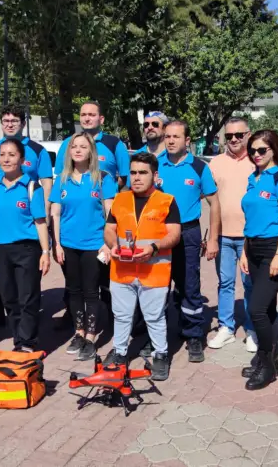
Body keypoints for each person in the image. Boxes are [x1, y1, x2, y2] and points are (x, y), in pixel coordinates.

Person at [0, 105, 54, 333]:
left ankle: (26, 333)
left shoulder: (37, 151)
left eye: (14, 120)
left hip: (25, 221)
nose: (9, 124)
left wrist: (44, 214)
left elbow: (46, 183)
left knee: (26, 286)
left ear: (23, 123)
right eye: (6, 120)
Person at [103, 153, 181, 381]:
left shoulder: (167, 201)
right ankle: (119, 352)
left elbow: (175, 234)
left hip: (154, 271)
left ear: (154, 175)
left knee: (154, 317)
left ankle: (161, 354)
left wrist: (155, 248)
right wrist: (112, 244)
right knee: (121, 315)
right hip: (122, 270)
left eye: (143, 173)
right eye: (133, 172)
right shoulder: (120, 199)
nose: (136, 178)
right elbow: (109, 228)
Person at [157, 120, 220, 363]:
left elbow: (214, 203)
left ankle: (194, 335)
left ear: (187, 141)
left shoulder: (199, 167)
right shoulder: (155, 165)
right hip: (158, 233)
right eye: (168, 136)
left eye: (176, 137)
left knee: (189, 284)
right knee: (158, 285)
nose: (171, 140)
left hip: (188, 232)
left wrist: (213, 239)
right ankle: (159, 335)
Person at [49, 133, 117, 360]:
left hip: (94, 245)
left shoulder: (102, 178)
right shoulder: (61, 179)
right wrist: (56, 244)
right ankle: (78, 332)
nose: (78, 150)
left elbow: (110, 213)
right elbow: (55, 213)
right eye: (74, 147)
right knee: (73, 290)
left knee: (91, 291)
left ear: (91, 152)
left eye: (83, 147)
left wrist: (108, 244)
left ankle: (90, 336)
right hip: (68, 244)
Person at [238, 130, 278, 391]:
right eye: (253, 150)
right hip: (253, 248)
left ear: (274, 149)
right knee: (268, 309)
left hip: (275, 248)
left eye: (262, 150)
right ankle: (270, 358)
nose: (257, 155)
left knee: (256, 309)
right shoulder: (254, 178)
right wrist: (243, 251)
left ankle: (266, 364)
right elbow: (250, 220)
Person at [0, 138, 52, 352]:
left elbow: (40, 222)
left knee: (28, 297)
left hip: (27, 249)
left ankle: (27, 342)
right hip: (0, 250)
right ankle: (18, 338)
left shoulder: (31, 187)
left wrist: (45, 252)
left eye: (12, 155)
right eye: (2, 154)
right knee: (9, 298)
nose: (6, 159)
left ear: (22, 159)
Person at [208, 118, 255, 352]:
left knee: (250, 283)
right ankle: (226, 327)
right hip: (224, 236)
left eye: (239, 135)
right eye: (229, 136)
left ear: (249, 135)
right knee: (225, 282)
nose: (234, 139)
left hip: (250, 237)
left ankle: (252, 329)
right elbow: (206, 199)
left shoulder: (259, 160)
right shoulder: (215, 164)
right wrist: (211, 237)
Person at [55, 101, 131, 188]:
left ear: (101, 119)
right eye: (83, 115)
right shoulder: (68, 143)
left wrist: (110, 191)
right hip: (73, 200)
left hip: (105, 200)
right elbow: (59, 177)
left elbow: (125, 176)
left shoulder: (114, 143)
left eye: (91, 115)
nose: (87, 119)